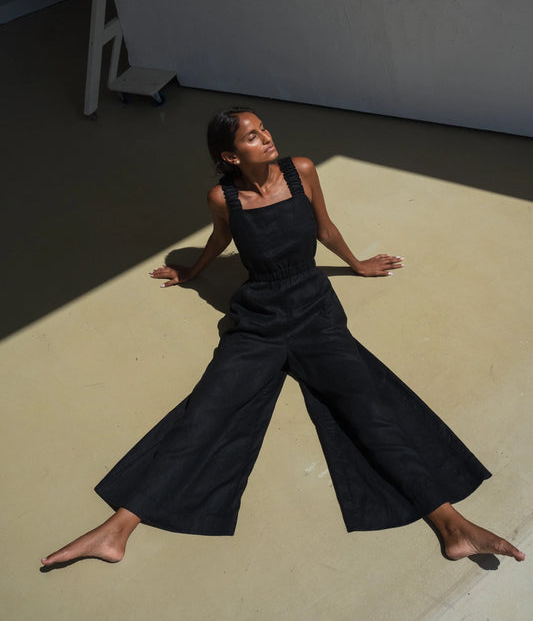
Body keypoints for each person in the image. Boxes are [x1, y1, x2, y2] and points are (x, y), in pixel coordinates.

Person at [42, 108, 525, 567]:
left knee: (367, 405)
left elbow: (324, 228)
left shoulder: (302, 170)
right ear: (231, 156)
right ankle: (116, 530)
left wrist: (357, 265)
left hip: (314, 310)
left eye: (263, 129)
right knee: (208, 409)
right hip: (259, 319)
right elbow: (220, 238)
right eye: (252, 136)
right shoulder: (222, 197)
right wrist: (193, 271)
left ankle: (451, 525)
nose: (266, 137)